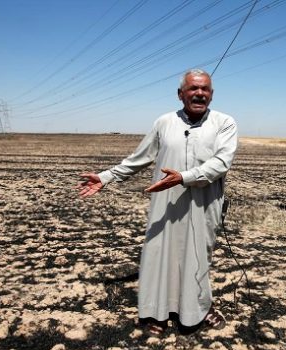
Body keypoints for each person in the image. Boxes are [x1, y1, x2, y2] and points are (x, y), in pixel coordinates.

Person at [78, 68, 238, 335]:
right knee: (159, 256)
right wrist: (106, 177)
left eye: (205, 89)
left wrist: (184, 177)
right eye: (193, 89)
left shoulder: (225, 123)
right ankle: (156, 311)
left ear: (211, 94)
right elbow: (139, 158)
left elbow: (221, 164)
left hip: (204, 205)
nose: (199, 93)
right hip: (166, 204)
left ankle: (200, 308)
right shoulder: (164, 122)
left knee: (198, 257)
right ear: (180, 94)